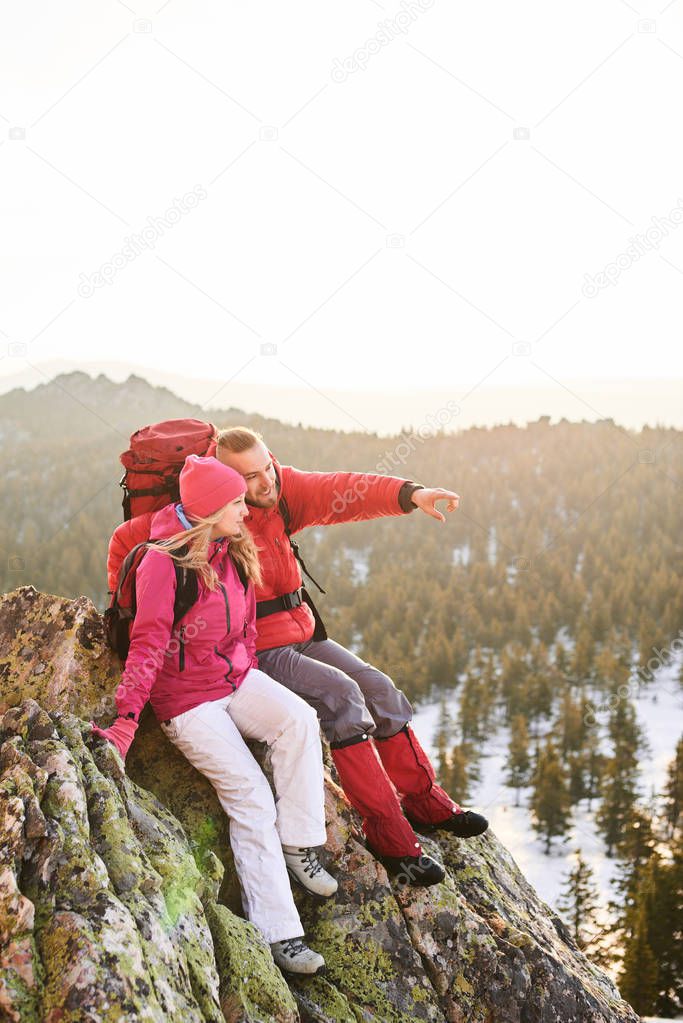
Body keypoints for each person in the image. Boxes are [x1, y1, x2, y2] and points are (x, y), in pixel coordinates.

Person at [213, 428, 489, 887]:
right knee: (343, 697)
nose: (267, 482)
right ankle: (388, 832)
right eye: (251, 478)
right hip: (258, 648)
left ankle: (424, 801)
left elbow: (343, 489)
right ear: (224, 482)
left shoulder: (279, 491)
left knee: (379, 688)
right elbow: (144, 542)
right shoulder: (215, 514)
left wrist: (411, 494)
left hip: (303, 633)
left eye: (268, 468)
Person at [94, 454, 336, 976]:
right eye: (233, 503)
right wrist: (127, 719)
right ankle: (279, 932)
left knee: (299, 719)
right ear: (206, 512)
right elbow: (148, 645)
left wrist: (246, 663)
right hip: (189, 702)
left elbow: (245, 625)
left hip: (235, 678)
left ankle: (298, 842)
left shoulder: (232, 549)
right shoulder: (165, 563)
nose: (245, 509)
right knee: (250, 795)